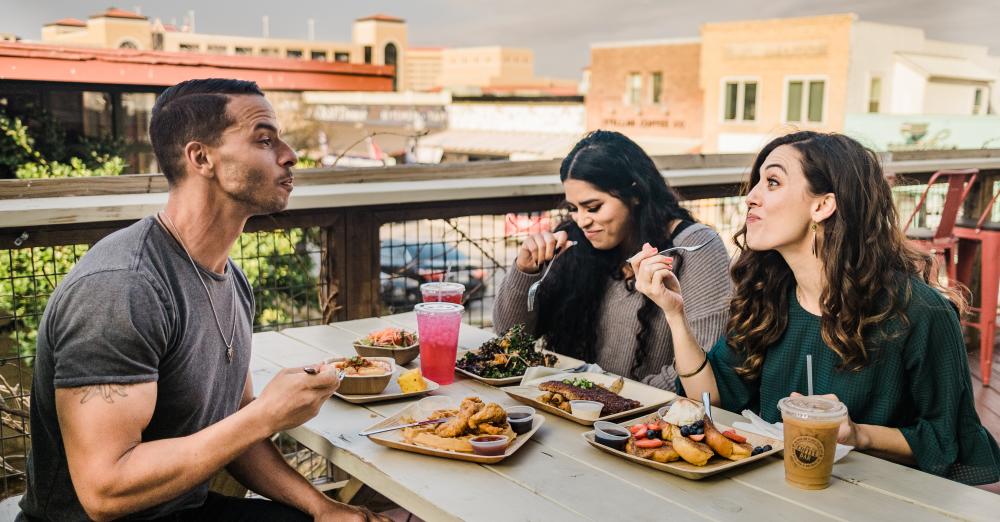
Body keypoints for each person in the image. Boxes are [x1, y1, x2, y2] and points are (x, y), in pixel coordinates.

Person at [18, 79, 390, 521]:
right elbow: (104, 491)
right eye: (265, 139)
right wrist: (268, 415)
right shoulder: (123, 288)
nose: (289, 154)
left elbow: (237, 427)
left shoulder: (228, 277)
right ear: (201, 158)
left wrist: (323, 507)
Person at [631, 131, 1000, 485]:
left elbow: (949, 441)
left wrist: (857, 434)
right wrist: (674, 315)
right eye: (756, 183)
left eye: (772, 183)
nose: (751, 198)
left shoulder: (921, 312)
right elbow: (710, 401)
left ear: (823, 205)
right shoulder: (768, 296)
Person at [493, 130, 732, 390]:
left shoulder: (694, 247)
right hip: (577, 405)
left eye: (593, 207)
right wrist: (525, 271)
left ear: (635, 193)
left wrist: (617, 397)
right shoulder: (574, 243)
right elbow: (509, 337)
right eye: (574, 208)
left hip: (648, 419)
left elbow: (705, 359)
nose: (582, 220)